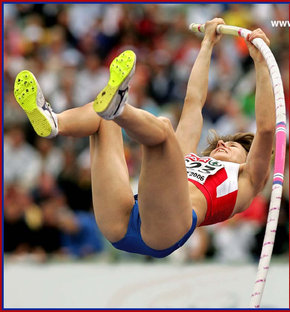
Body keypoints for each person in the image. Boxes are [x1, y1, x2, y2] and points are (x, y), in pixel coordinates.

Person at [13, 18, 275, 258]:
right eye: (223, 142)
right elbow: (194, 101)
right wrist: (207, 43)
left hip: (166, 231)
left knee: (162, 129)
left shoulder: (247, 179)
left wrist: (260, 62)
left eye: (232, 146)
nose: (222, 143)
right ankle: (54, 121)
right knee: (103, 122)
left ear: (247, 158)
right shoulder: (185, 156)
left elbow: (265, 129)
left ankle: (119, 108)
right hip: (123, 220)